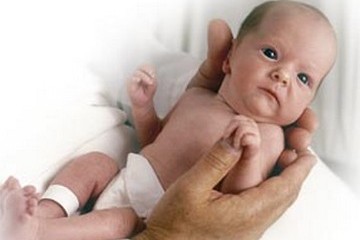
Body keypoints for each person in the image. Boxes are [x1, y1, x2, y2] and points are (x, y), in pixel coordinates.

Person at [0, 1, 333, 239]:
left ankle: (40, 232)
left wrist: (241, 153)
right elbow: (155, 141)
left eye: (304, 79)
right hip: (128, 175)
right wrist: (142, 107)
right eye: (271, 54)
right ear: (229, 58)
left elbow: (239, 196)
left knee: (120, 222)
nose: (283, 76)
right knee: (95, 163)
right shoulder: (198, 97)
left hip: (153, 216)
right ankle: (41, 211)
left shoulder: (267, 136)